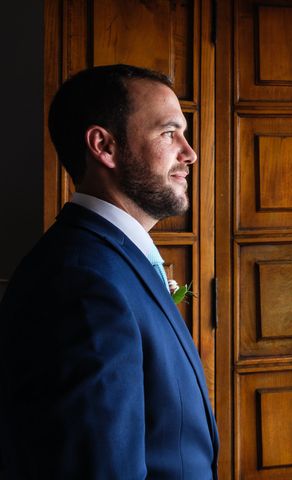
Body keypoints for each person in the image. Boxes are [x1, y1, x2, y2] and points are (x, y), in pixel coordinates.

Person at [0, 64, 219, 479]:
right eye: (169, 133)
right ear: (104, 145)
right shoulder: (81, 281)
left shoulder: (110, 259)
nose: (189, 153)